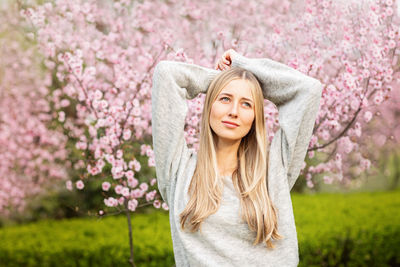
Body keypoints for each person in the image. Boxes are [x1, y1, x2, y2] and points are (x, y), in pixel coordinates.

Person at [151, 48, 323, 266]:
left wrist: (243, 66)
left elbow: (308, 89)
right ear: (210, 106)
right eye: (224, 98)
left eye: (246, 104)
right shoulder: (178, 170)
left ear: (254, 117)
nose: (234, 111)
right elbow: (167, 74)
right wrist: (220, 79)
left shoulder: (273, 171)